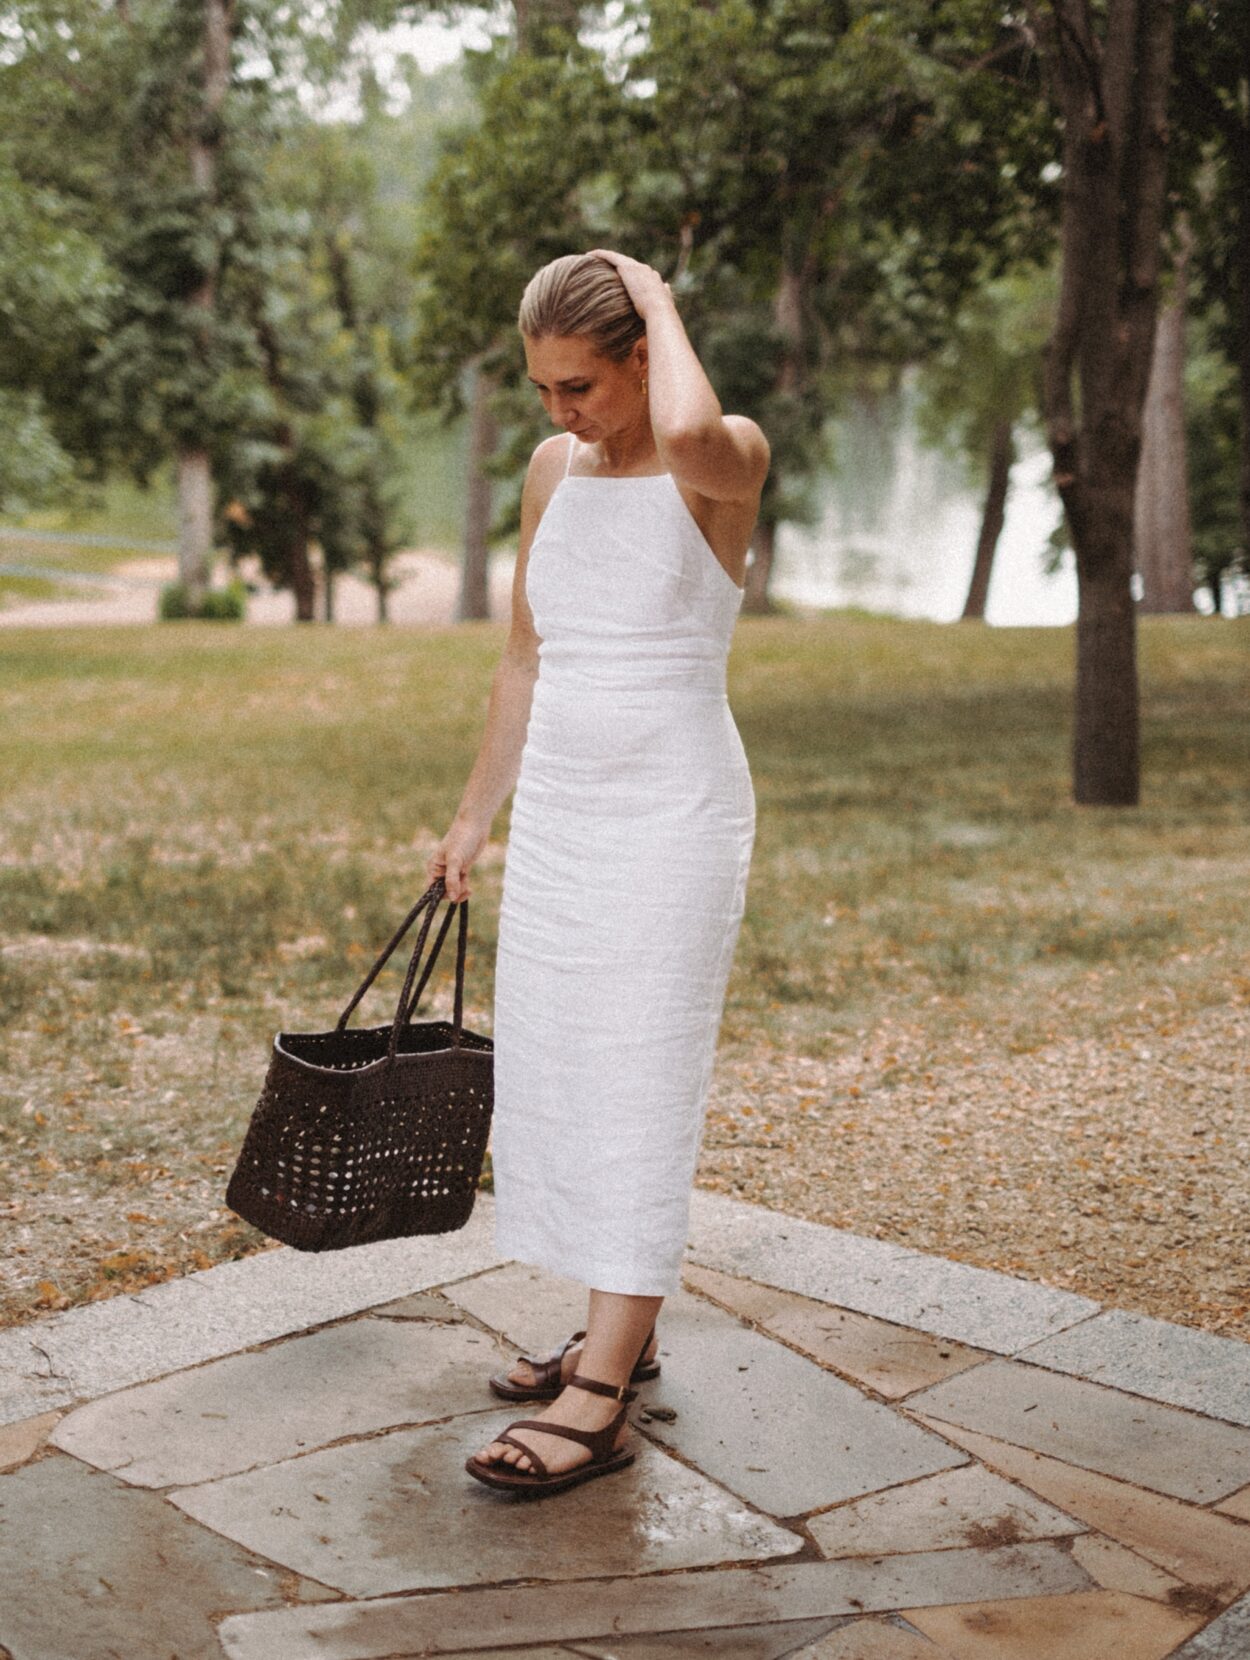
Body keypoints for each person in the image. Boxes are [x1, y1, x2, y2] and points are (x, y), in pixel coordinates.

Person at [427, 248, 769, 1497]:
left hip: (672, 811)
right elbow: (525, 657)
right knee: (566, 1065)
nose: (559, 410)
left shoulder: (720, 456)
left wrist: (665, 297)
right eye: (540, 387)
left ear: (641, 356)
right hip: (566, 815)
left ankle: (602, 1392)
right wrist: (475, 819)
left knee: (640, 1071)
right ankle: (620, 1322)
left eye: (580, 382)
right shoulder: (550, 469)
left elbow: (681, 426)